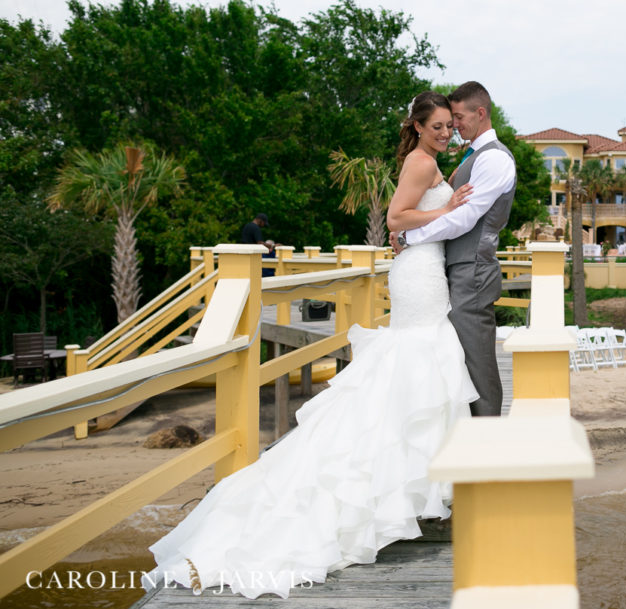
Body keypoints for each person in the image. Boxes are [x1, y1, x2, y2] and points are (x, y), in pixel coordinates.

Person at [148, 91, 477, 599]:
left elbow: (408, 222)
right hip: (419, 275)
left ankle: (412, 472)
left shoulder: (428, 160)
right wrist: (447, 209)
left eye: (447, 127)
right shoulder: (419, 161)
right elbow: (395, 220)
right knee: (419, 357)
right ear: (416, 126)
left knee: (416, 364)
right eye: (436, 126)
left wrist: (440, 210)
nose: (445, 133)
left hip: (423, 270)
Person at [391, 81, 516, 417]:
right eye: (445, 123)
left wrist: (409, 237)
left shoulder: (494, 160)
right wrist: (409, 229)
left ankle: (487, 442)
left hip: (472, 271)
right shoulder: (469, 157)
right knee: (454, 359)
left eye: (457, 119)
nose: (453, 128)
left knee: (477, 365)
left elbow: (464, 219)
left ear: (480, 113)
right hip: (448, 271)